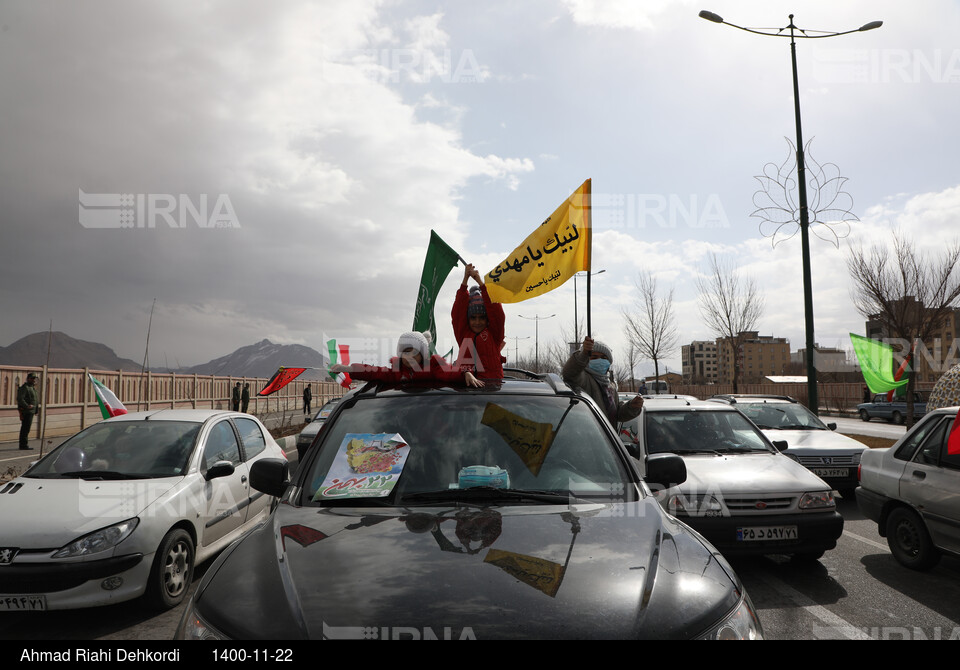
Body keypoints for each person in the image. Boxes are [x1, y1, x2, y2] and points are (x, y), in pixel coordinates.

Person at [332, 331, 483, 386]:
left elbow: (449, 373)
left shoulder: (434, 368)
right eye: (405, 352)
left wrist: (465, 373)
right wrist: (349, 369)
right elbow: (374, 372)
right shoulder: (396, 373)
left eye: (413, 352)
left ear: (423, 354)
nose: (408, 357)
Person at [562, 336, 643, 425]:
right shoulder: (583, 379)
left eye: (604, 357)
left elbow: (616, 415)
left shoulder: (610, 386)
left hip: (605, 438)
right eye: (594, 357)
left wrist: (632, 406)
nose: (600, 360)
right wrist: (583, 353)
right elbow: (569, 372)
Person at [452, 263, 505, 379]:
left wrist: (481, 283)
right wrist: (465, 280)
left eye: (482, 317)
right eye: (473, 318)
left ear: (487, 320)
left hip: (493, 390)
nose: (477, 322)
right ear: (467, 319)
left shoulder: (495, 336)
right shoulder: (463, 335)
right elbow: (458, 313)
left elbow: (497, 314)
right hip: (466, 391)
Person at [17, 372, 40, 450]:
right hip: (26, 411)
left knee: (27, 428)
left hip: (31, 411)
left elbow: (35, 400)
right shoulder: (25, 387)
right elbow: (20, 399)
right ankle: (23, 445)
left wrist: (36, 410)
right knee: (25, 428)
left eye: (34, 378)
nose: (33, 380)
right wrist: (27, 406)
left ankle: (24, 444)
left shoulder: (32, 388)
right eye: (32, 378)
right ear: (28, 379)